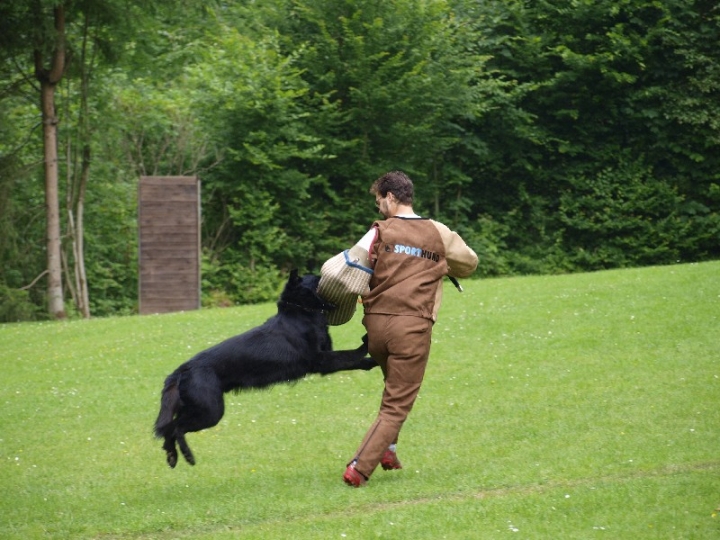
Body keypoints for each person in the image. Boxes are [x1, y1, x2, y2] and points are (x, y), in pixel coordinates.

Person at [342, 170, 478, 487]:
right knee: (397, 404)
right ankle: (359, 467)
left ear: (391, 197)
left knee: (394, 386)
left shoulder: (378, 230)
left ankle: (387, 450)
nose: (378, 208)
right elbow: (469, 263)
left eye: (379, 201)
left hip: (375, 328)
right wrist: (441, 262)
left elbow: (351, 266)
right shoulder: (438, 232)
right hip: (412, 329)